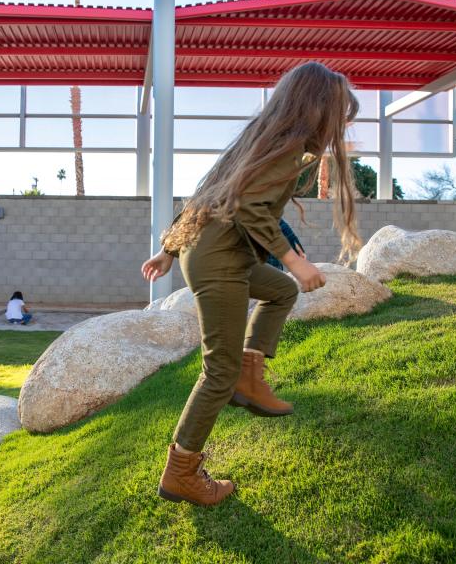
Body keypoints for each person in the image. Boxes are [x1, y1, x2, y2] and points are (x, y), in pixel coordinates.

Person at [141, 62, 361, 507]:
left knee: (280, 291)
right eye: (341, 114)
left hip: (217, 252)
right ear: (317, 107)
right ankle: (181, 472)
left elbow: (208, 194)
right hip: (221, 258)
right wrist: (294, 260)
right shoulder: (284, 145)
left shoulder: (264, 139)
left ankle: (250, 374)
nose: (341, 126)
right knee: (216, 372)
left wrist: (169, 249)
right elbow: (250, 210)